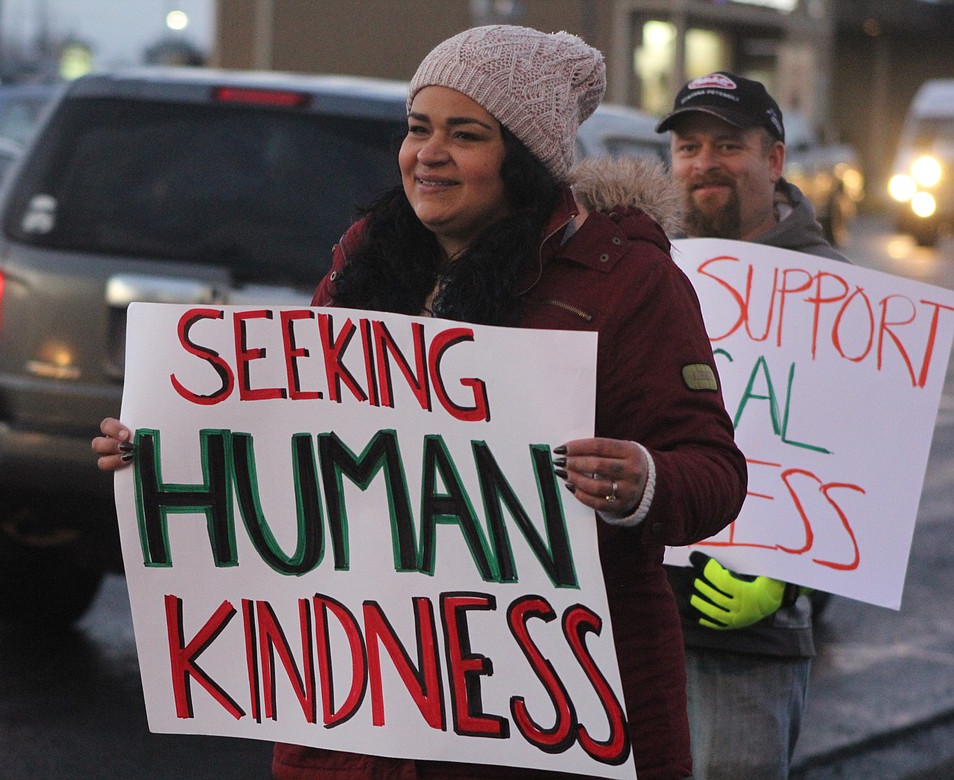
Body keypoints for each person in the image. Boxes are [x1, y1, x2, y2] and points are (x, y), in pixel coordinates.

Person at [95, 26, 748, 780]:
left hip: (539, 733)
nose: (427, 154)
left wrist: (644, 481)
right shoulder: (367, 258)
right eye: (417, 128)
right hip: (360, 717)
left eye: (464, 135)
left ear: (525, 161)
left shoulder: (625, 280)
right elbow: (286, 440)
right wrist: (169, 448)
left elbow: (715, 472)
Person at [656, 71, 848, 780]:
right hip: (627, 618)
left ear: (773, 159)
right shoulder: (641, 271)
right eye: (687, 145)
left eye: (727, 144)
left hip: (747, 650)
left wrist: (790, 580)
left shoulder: (839, 296)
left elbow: (854, 474)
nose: (703, 162)